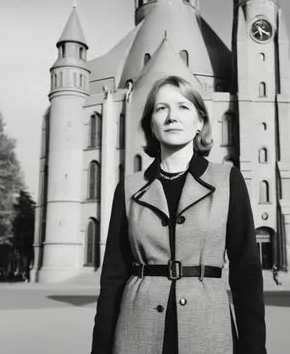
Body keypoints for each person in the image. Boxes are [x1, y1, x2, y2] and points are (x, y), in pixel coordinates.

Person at [91, 75, 266, 354]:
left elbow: (246, 272)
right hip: (137, 330)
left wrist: (254, 349)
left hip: (208, 329)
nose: (172, 116)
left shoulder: (227, 180)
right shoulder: (129, 188)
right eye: (161, 109)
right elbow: (113, 276)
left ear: (200, 122)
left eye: (183, 107)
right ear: (152, 124)